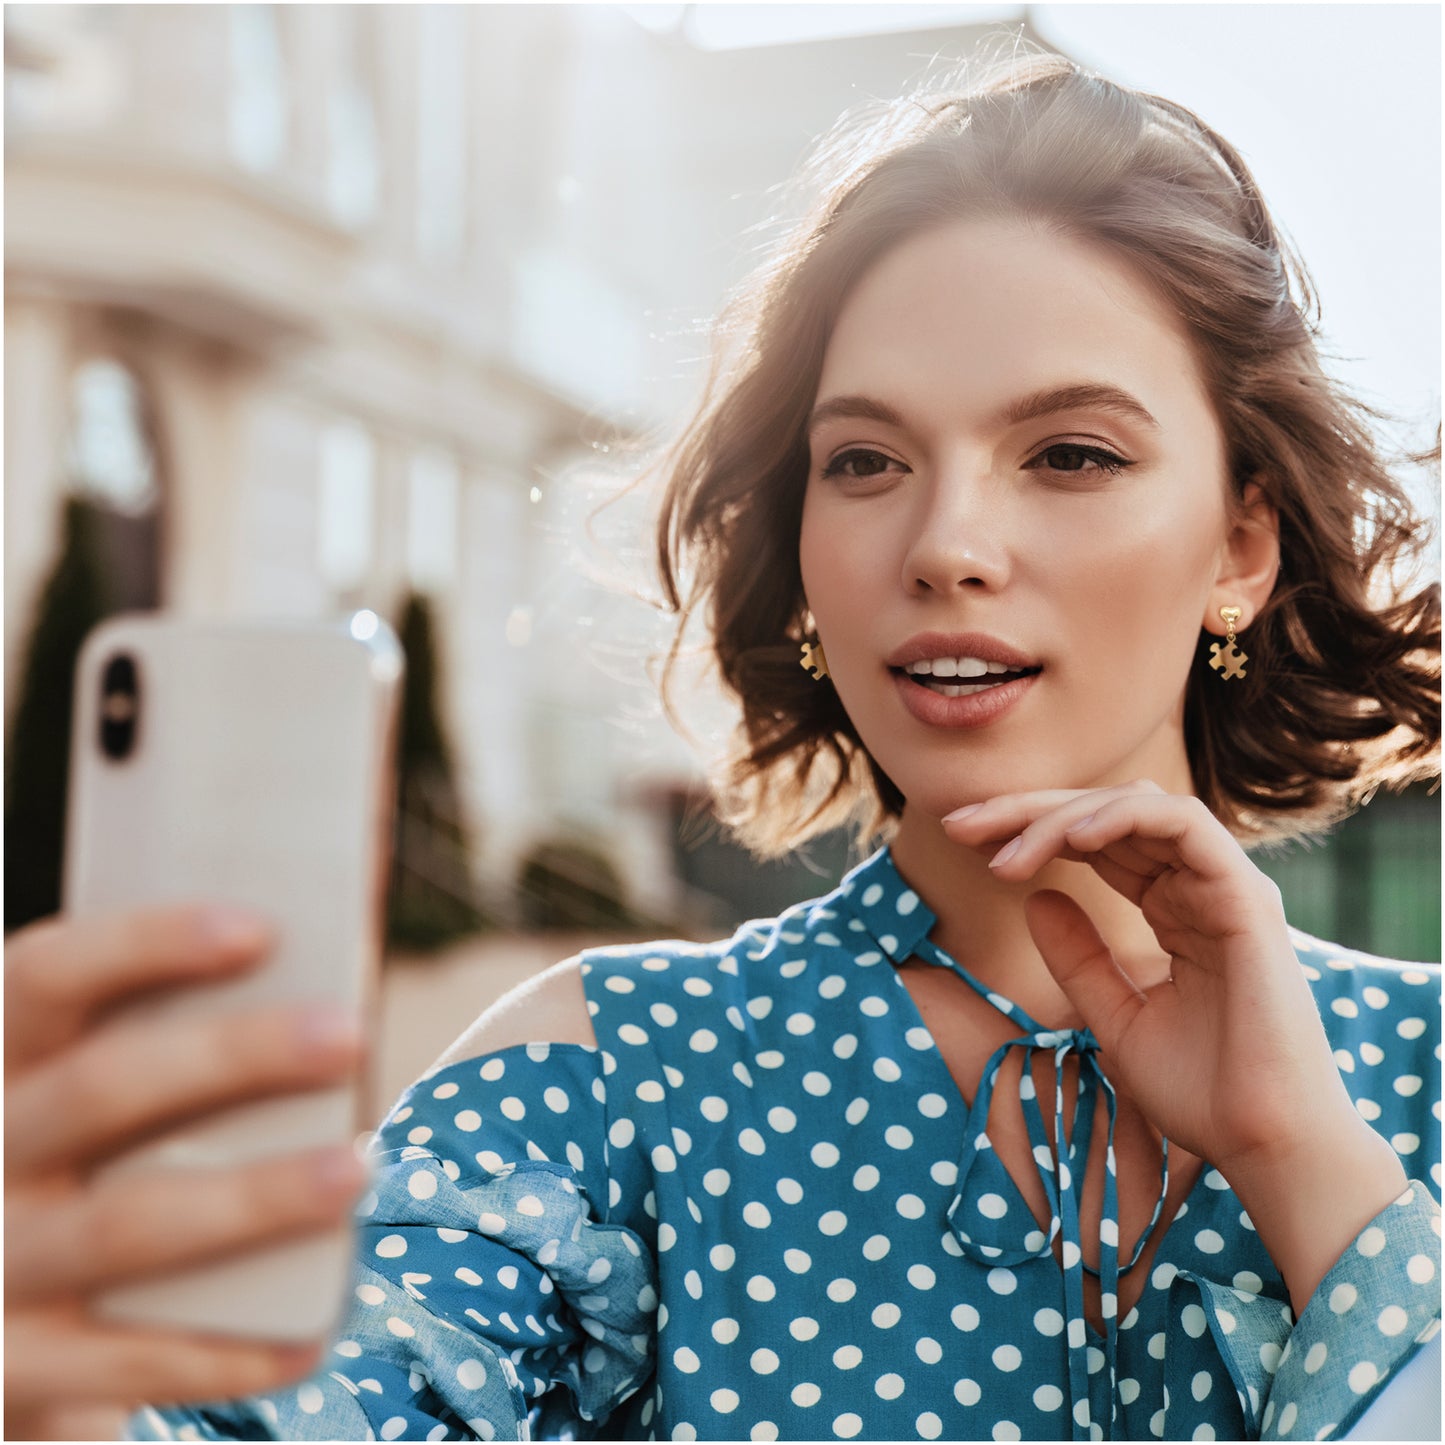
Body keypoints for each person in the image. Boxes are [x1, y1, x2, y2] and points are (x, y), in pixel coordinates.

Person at [6, 47, 1440, 1444]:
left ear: (1240, 544)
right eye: (863, 461)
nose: (943, 545)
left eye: (1069, 452)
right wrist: (60, 1402)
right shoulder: (613, 1074)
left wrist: (1308, 1166)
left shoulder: (1420, 1077)